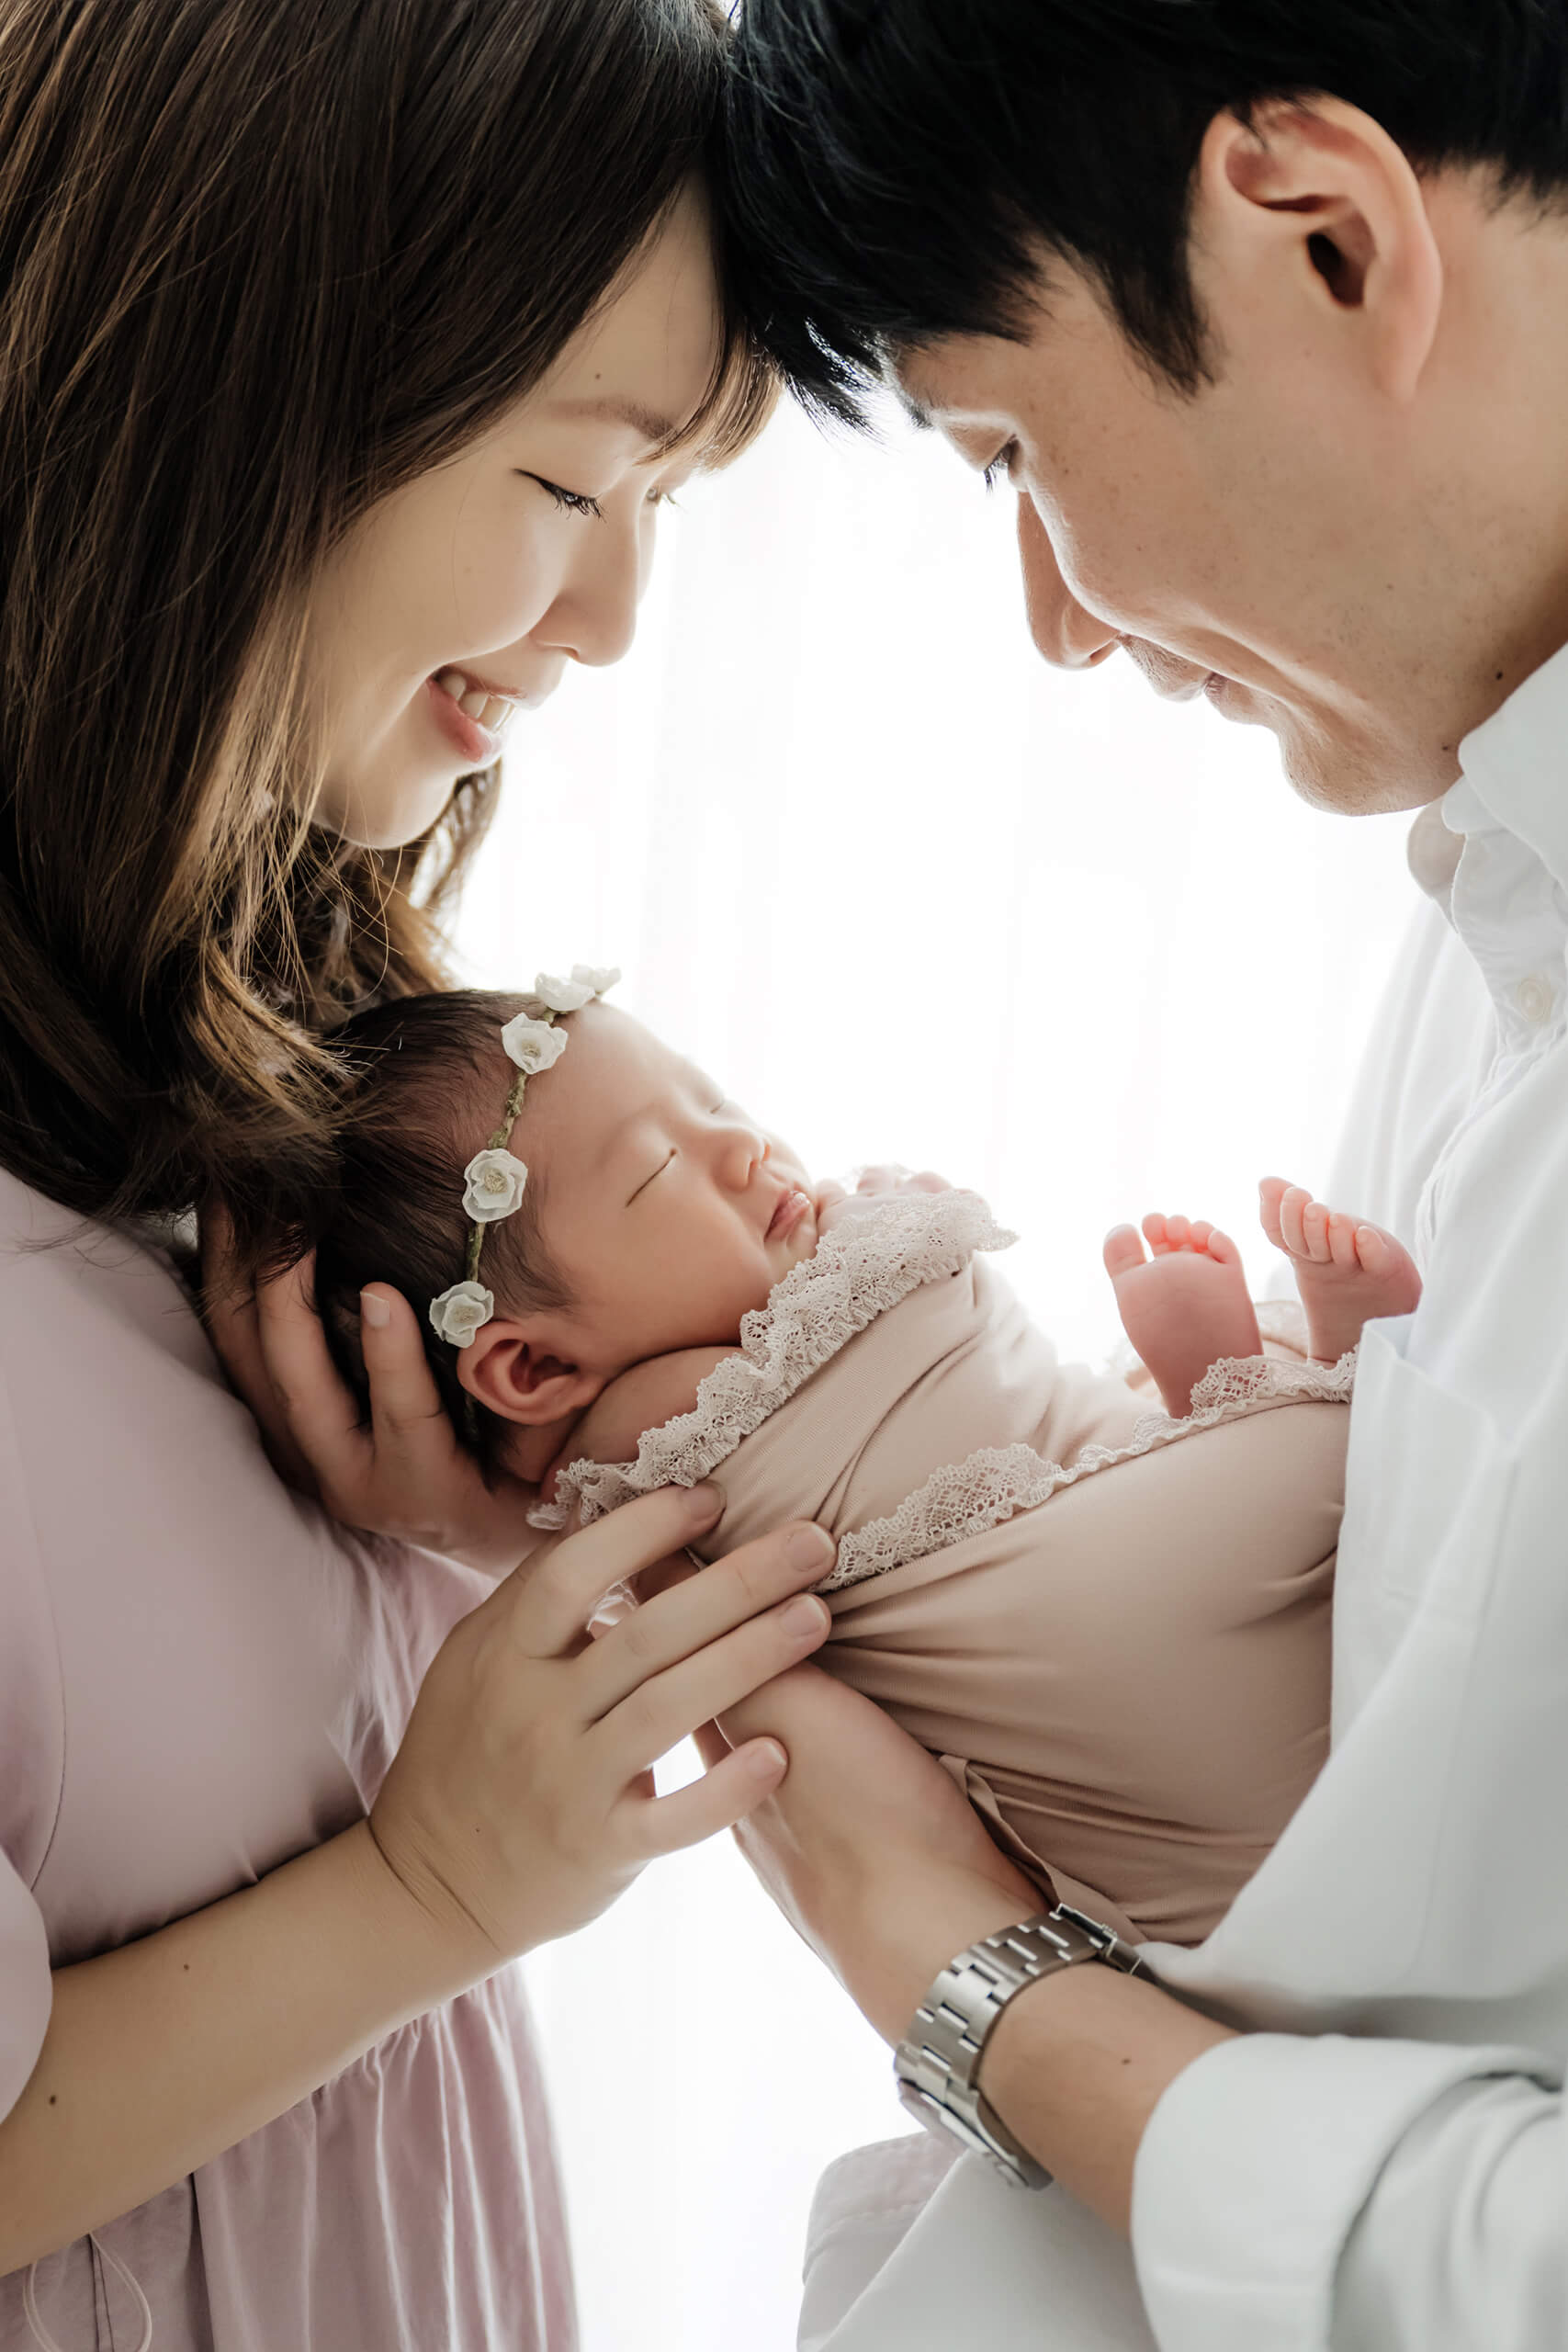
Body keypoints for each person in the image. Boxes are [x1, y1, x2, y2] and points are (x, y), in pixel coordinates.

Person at [703, 4, 1568, 2346]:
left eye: (1003, 449)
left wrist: (948, 1961)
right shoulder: (1479, 919)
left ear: (1315, 235)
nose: (1056, 624)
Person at [0, 5, 848, 2346]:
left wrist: (471, 1540)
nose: (606, 626)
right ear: (239, 393)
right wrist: (437, 1879)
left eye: (658, 511)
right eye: (577, 489)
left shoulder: (269, 1064)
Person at [282, 975, 1416, 1949]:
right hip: (1071, 1632)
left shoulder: (743, 1315)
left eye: (714, 1097)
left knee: (1154, 1451)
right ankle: (1264, 1392)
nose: (744, 1144)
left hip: (1083, 1495)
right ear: (529, 1372)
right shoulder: (646, 1429)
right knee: (1245, 1512)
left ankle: (1229, 1397)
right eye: (662, 1163)